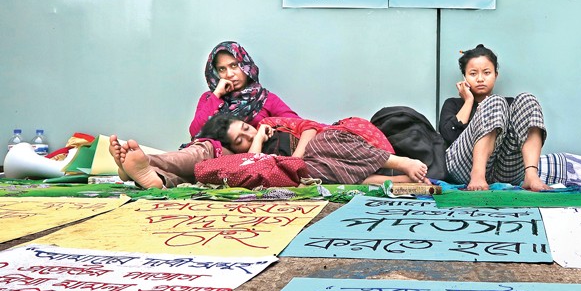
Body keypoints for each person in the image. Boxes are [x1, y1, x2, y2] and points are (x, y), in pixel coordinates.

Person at [110, 114, 429, 189]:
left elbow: (311, 128)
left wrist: (296, 156)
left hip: (316, 150)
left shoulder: (271, 122)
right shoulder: (232, 150)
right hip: (301, 167)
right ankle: (147, 173)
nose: (248, 134)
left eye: (246, 128)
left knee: (326, 145)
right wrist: (258, 144)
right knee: (323, 176)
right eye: (241, 138)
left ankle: (402, 163)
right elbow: (254, 161)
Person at [439, 44, 549, 191]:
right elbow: (449, 136)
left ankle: (531, 175)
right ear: (464, 77)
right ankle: (478, 174)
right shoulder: (453, 104)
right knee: (494, 101)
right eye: (473, 74)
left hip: (506, 170)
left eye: (486, 73)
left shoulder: (510, 105)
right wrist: (468, 101)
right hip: (464, 169)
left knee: (528, 100)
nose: (480, 79)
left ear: (495, 75)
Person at [188, 41, 298, 139]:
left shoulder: (265, 98)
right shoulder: (209, 98)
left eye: (234, 65)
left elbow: (299, 125)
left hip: (255, 154)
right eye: (222, 69)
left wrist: (268, 126)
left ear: (245, 66)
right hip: (215, 154)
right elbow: (195, 133)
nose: (229, 74)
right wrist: (217, 94)